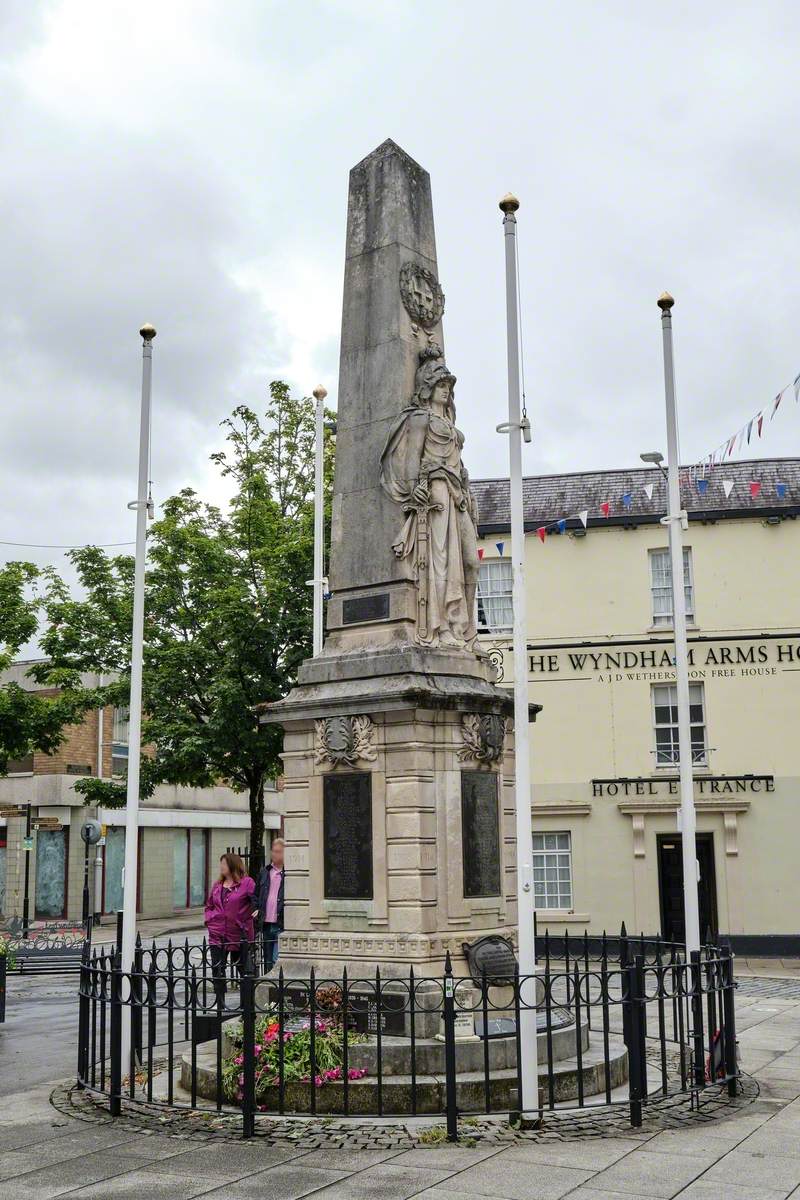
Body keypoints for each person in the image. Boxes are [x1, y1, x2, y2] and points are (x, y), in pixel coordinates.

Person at [379, 343, 479, 649]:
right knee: (439, 560)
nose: (445, 390)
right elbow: (411, 462)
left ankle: (467, 628)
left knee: (470, 561)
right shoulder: (421, 419)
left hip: (458, 494)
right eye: (440, 384)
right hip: (435, 490)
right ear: (427, 386)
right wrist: (416, 488)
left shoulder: (449, 423)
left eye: (448, 385)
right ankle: (441, 625)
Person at [204, 853, 255, 1003]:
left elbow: (255, 903)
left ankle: (248, 1005)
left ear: (233, 865)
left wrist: (247, 919)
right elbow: (209, 906)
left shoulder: (247, 883)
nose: (221, 867)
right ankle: (220, 1004)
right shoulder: (218, 885)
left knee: (244, 970)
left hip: (240, 934)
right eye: (221, 864)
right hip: (217, 934)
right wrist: (210, 919)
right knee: (218, 969)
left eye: (224, 864)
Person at [254, 838, 285, 972]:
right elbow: (255, 894)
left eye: (278, 851)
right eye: (273, 851)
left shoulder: (289, 873)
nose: (274, 854)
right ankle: (269, 986)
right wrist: (256, 908)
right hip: (266, 922)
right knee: (267, 960)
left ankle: (278, 987)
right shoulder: (265, 872)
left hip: (280, 922)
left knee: (276, 958)